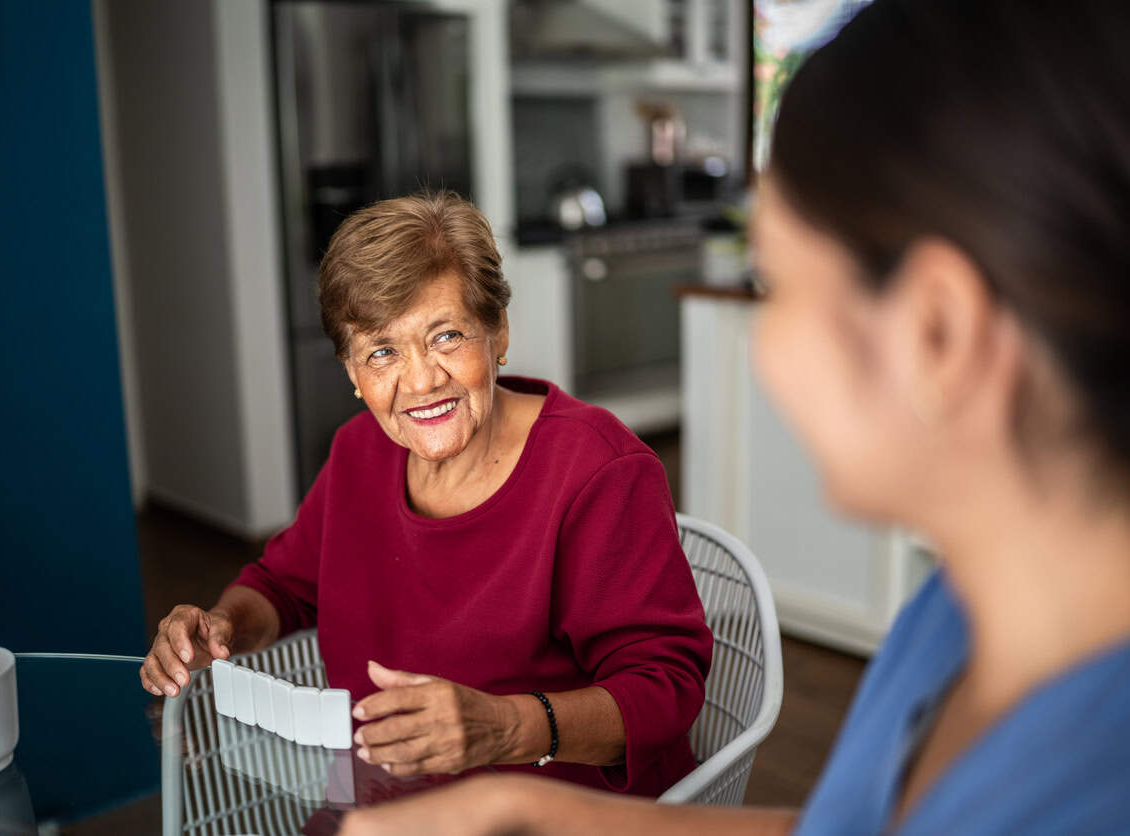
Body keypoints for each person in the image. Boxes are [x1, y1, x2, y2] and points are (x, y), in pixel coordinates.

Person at [339, 0, 1130, 832]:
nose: (762, 349)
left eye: (773, 286)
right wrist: (520, 803)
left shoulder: (1092, 791)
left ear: (939, 331)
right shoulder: (957, 613)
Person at [140, 191, 714, 797]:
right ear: (352, 371)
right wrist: (222, 626)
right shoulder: (358, 451)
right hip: (387, 806)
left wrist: (505, 728)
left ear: (497, 331)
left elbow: (666, 689)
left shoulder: (598, 471)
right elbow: (283, 585)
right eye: (382, 352)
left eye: (446, 336)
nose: (419, 381)